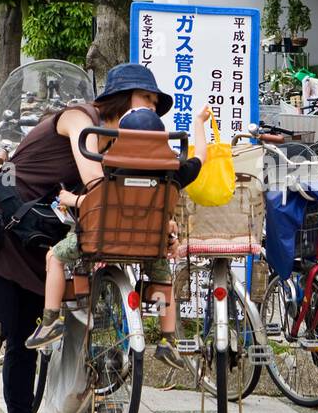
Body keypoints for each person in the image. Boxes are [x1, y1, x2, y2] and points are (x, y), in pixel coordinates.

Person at [0, 64, 177, 413]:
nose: (151, 107)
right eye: (146, 98)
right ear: (122, 99)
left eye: (155, 103)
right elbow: (97, 180)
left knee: (25, 339)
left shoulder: (119, 141)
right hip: (1, 226)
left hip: (37, 237)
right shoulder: (80, 118)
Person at [24, 102, 211, 360]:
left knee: (54, 257)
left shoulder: (110, 169)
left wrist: (71, 199)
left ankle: (49, 321)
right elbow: (201, 154)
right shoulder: (175, 172)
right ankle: (168, 339)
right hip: (150, 244)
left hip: (103, 238)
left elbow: (95, 203)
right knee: (163, 277)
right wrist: (199, 123)